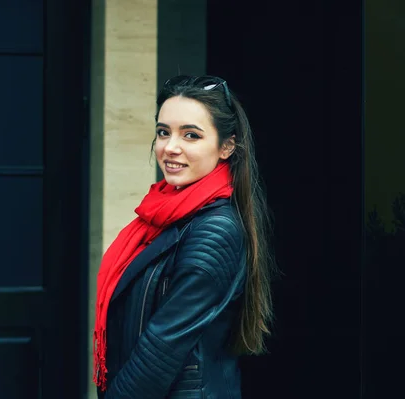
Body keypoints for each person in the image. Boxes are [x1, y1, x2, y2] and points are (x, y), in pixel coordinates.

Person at [93, 75, 274, 398]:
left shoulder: (215, 230)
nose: (170, 147)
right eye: (164, 132)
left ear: (227, 146)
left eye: (191, 135)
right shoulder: (164, 216)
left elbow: (161, 348)